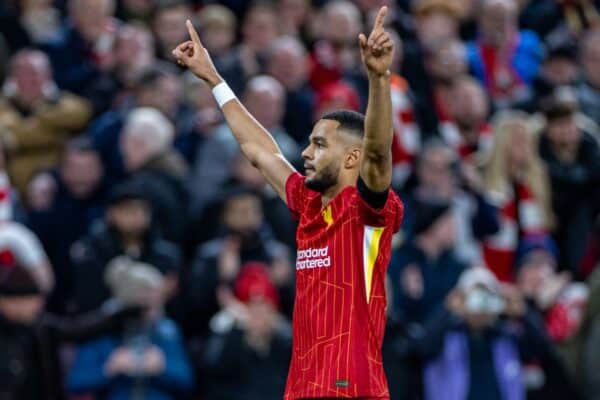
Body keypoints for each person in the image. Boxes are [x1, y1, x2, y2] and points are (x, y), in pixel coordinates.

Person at [173, 6, 404, 399]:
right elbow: (260, 151)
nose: (306, 153)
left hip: (352, 388)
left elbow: (379, 154)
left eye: (319, 144)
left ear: (351, 158)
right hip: (303, 387)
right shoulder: (307, 204)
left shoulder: (368, 211)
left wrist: (378, 79)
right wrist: (214, 80)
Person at [67, 257, 195, 399]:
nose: (155, 310)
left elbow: (187, 381)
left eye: (158, 301)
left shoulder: (167, 330)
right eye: (146, 305)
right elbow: (75, 383)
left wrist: (163, 368)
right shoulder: (102, 332)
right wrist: (109, 369)